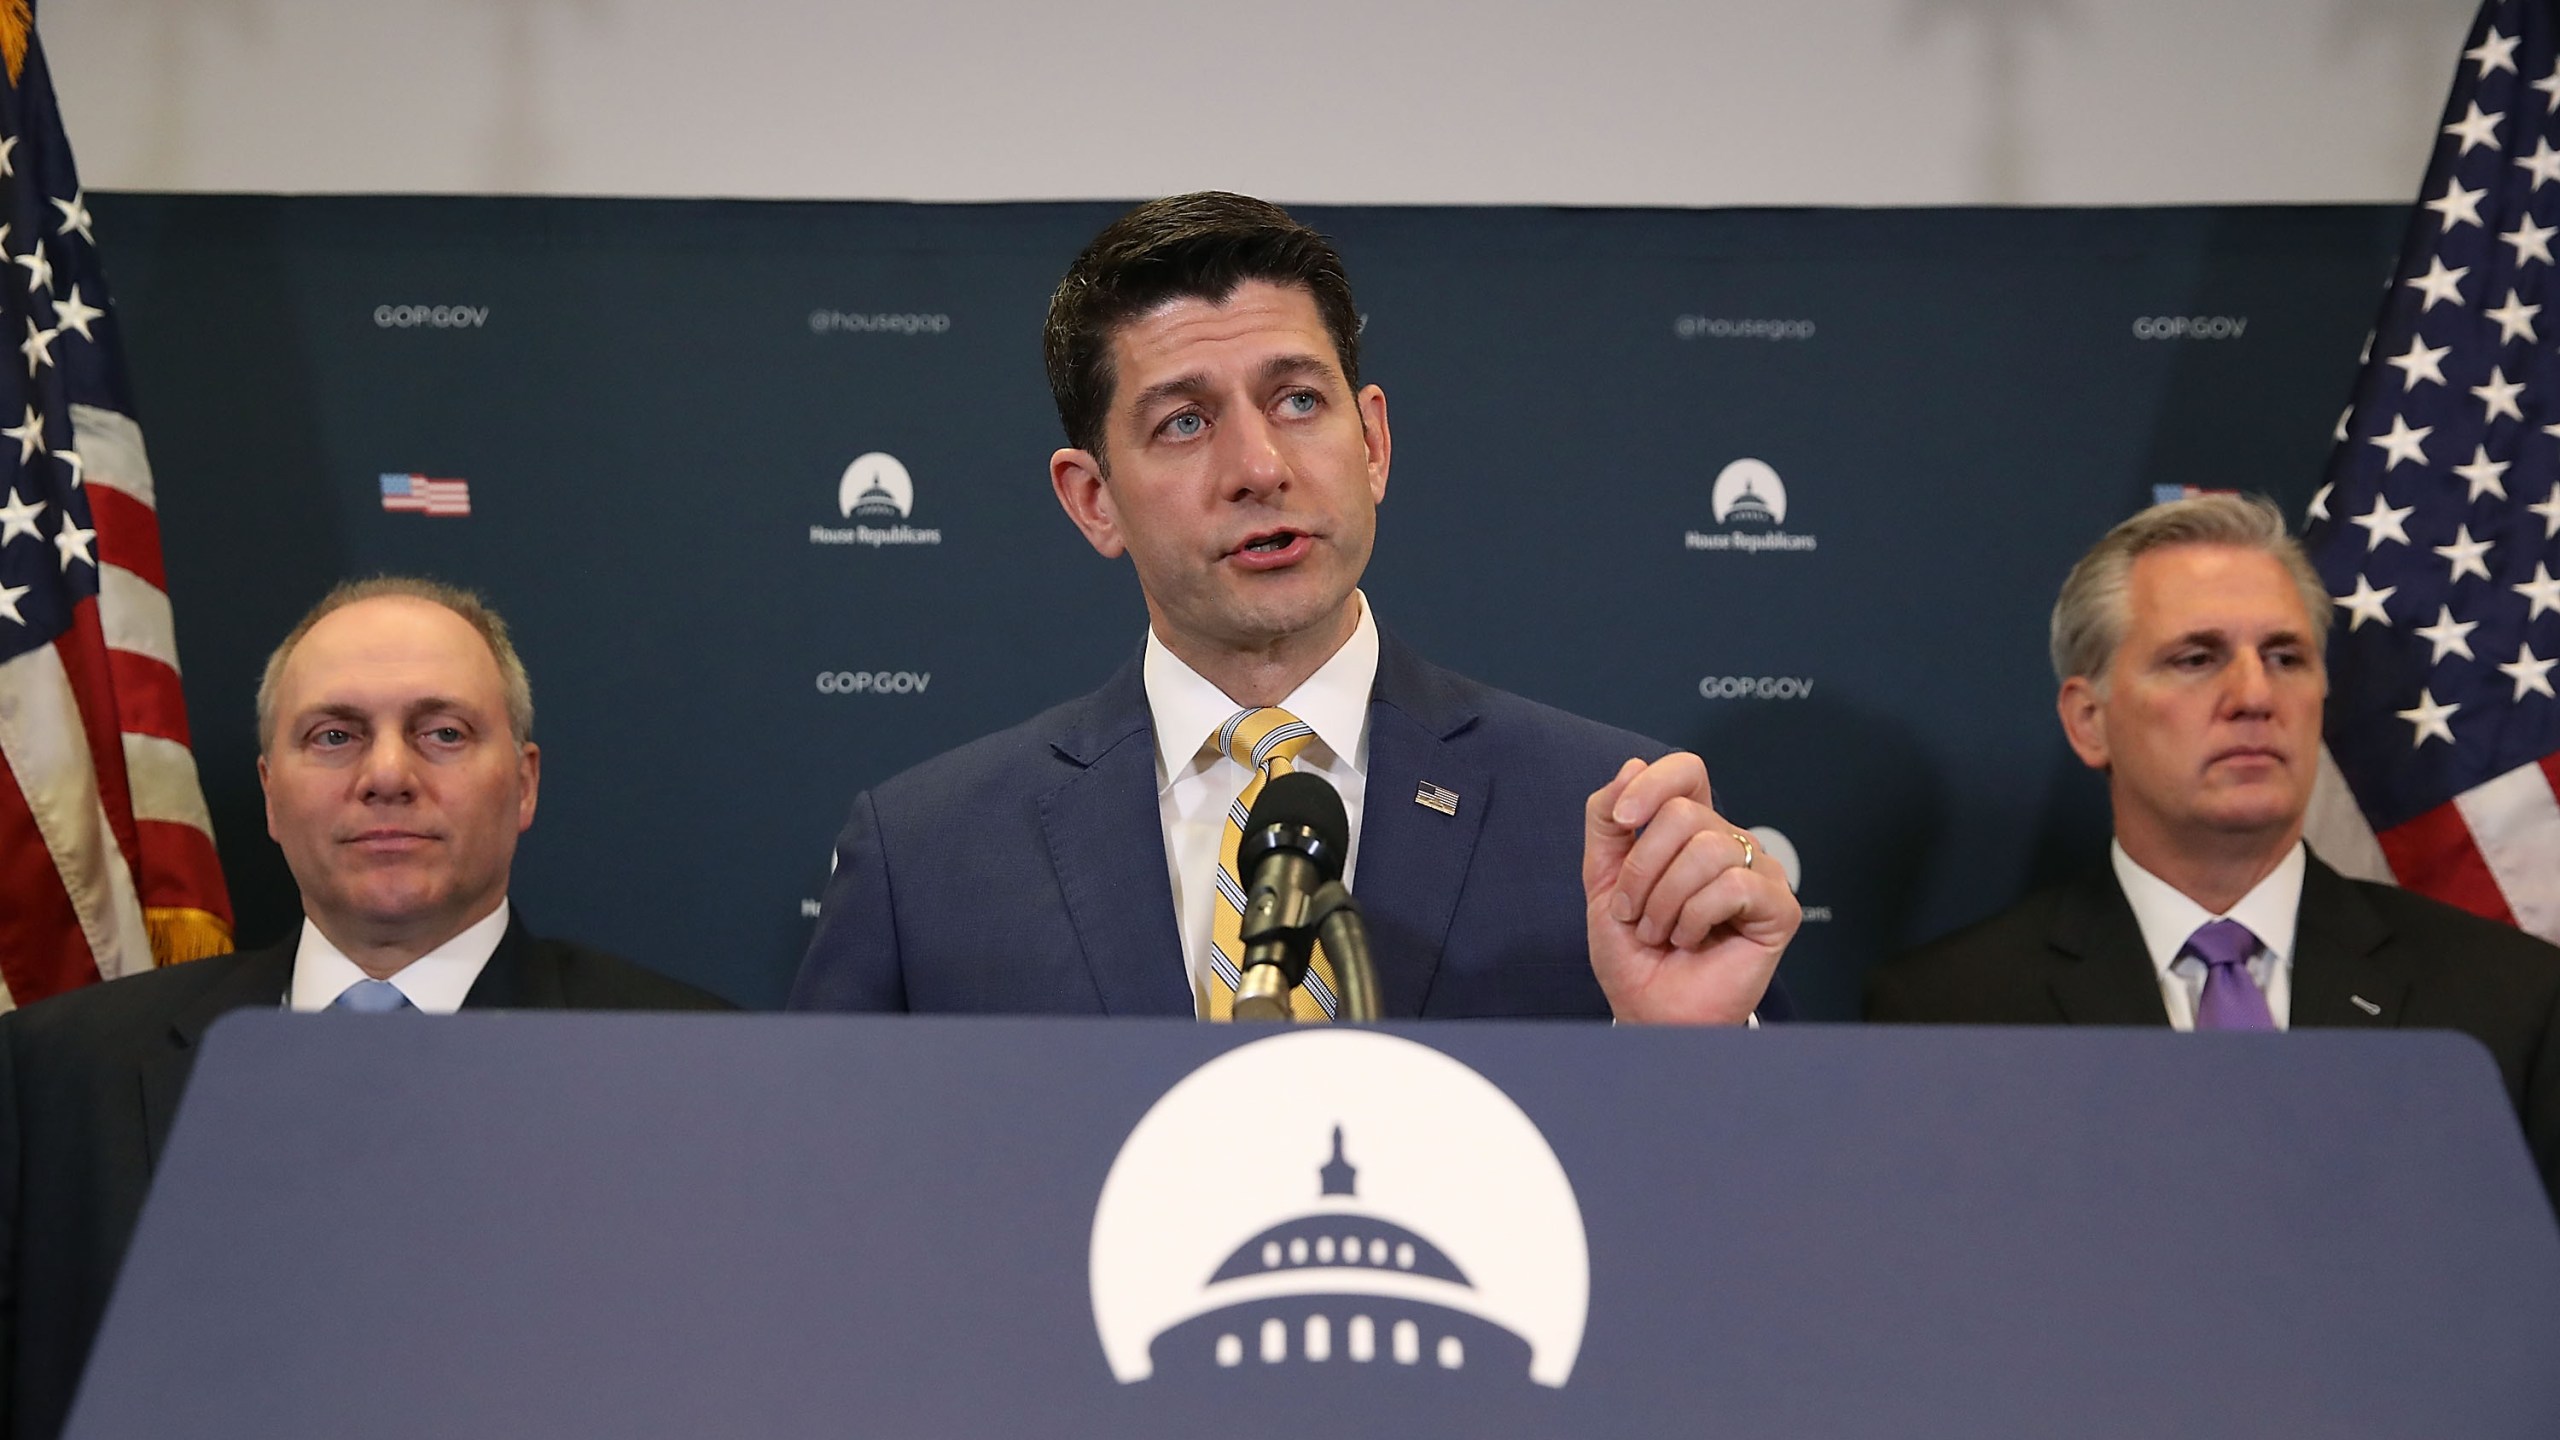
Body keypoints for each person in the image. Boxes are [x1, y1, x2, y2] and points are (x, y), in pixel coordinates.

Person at [791, 192, 1796, 1023]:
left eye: (1298, 401)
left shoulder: (1599, 826)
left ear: (1374, 445)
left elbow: (1763, 1219)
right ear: (1093, 500)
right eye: (1184, 422)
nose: (1258, 468)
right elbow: (821, 1202)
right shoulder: (925, 859)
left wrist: (1684, 1056)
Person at [0, 577, 729, 1440]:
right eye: (336, 735)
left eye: (444, 733)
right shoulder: (54, 1075)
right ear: (271, 793)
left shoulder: (704, 1078)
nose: (388, 775)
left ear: (525, 785)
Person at [1865, 494, 2560, 1201]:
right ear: (2088, 721)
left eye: (2286, 657)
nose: (2254, 696)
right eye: (2197, 658)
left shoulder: (2512, 1000)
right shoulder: (1951, 1010)